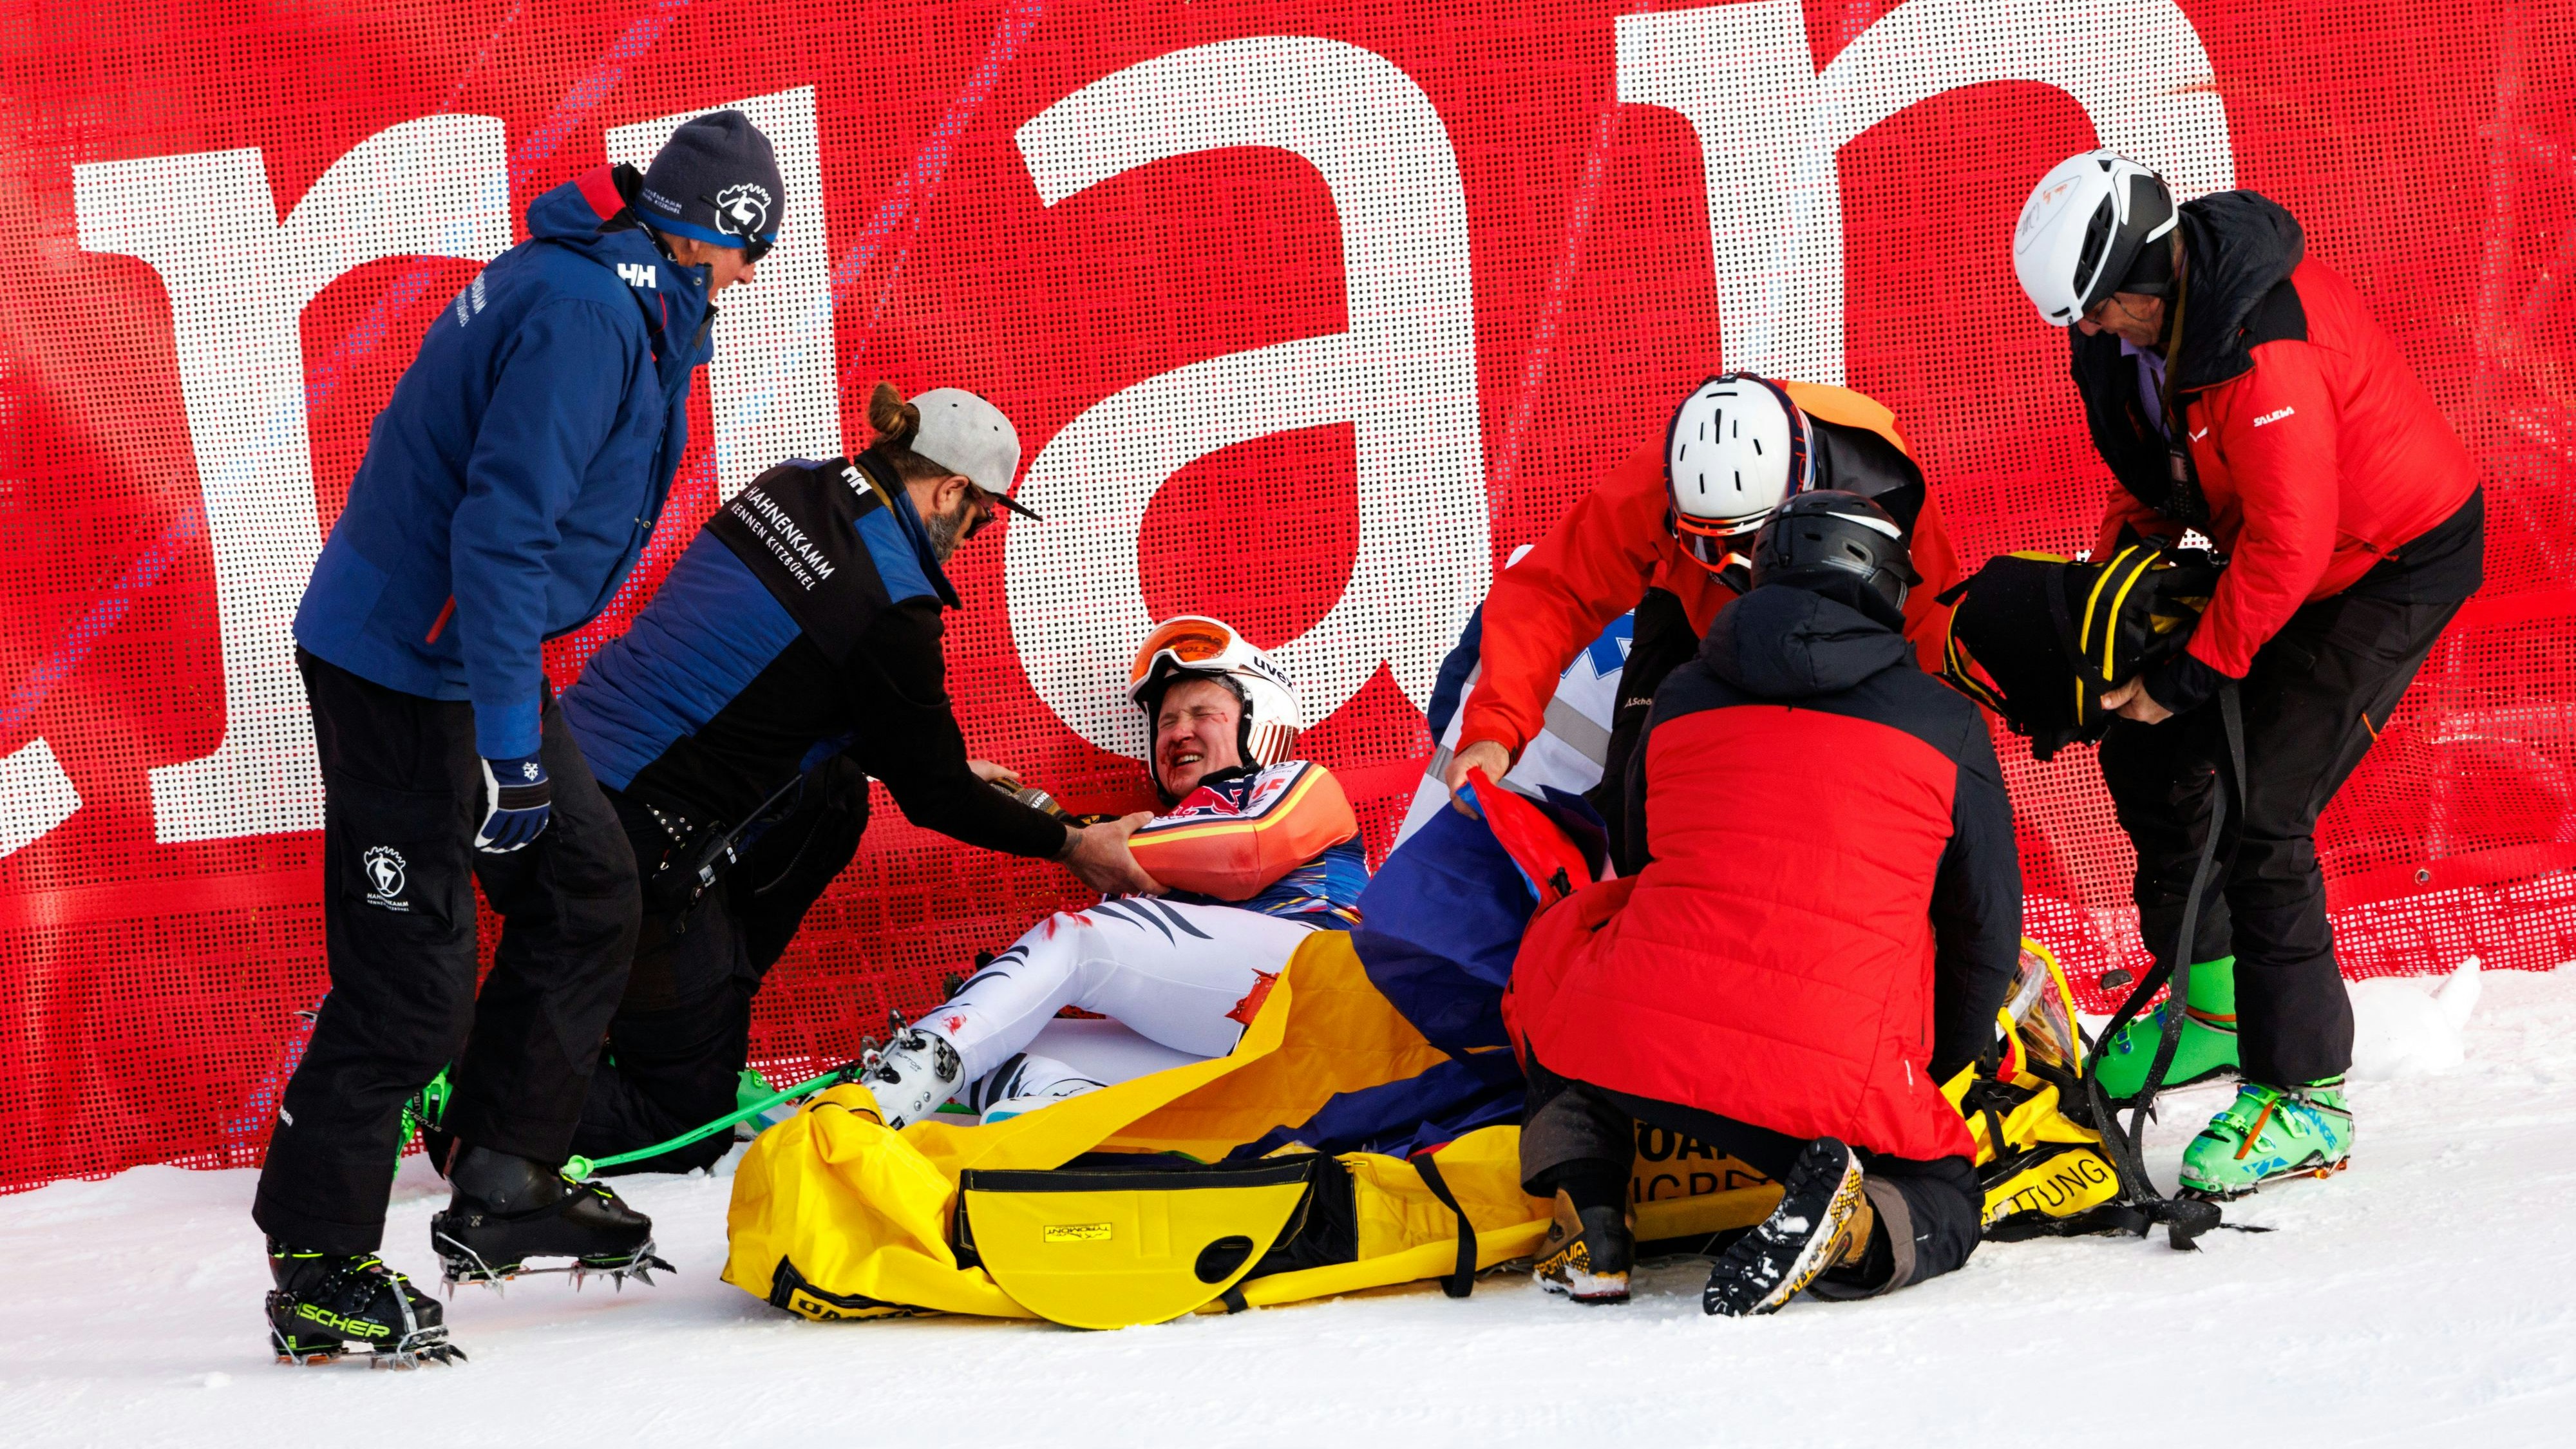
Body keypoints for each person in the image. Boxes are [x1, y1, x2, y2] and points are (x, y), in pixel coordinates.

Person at [256, 112, 784, 1365]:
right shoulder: (588, 314)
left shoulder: (631, 301)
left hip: (461, 650)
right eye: (751, 252)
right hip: (410, 663)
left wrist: (504, 709)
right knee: (414, 976)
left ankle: (503, 1175)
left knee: (591, 886)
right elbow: (497, 537)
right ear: (717, 233)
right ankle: (319, 1262)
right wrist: (507, 740)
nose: (754, 281)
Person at [2011, 151, 2483, 1197]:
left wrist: (2187, 675)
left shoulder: (2264, 350)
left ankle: (2304, 1095)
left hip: (2389, 560)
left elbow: (2288, 548)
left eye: (2095, 310)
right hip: (2283, 550)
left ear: (2150, 275)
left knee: (2266, 805)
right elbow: (2156, 475)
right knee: (2145, 752)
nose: (2085, 333)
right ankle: (2213, 1004)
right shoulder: (2127, 336)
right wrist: (2109, 603)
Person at [556, 384, 1160, 1174]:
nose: (975, 535)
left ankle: (696, 1017)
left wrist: (901, 751)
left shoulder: (789, 484)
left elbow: (777, 673)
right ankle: (468, 1088)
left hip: (563, 772)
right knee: (684, 1120)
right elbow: (935, 795)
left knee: (835, 793)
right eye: (982, 516)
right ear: (948, 489)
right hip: (625, 841)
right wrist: (1073, 845)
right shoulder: (889, 605)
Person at [1504, 491, 2020, 1314]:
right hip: (1828, 1076)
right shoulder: (1944, 720)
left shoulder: (1677, 692)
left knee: (1570, 945)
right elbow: (1984, 932)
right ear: (1886, 584)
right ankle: (1850, 1226)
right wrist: (1931, 1069)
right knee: (1948, 1193)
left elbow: (1642, 863)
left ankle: (1591, 1218)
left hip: (1636, 1039)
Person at [862, 616, 1368, 1128]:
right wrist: (954, 784)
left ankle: (877, 1102)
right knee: (997, 1039)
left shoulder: (1298, 781)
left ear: (1259, 720)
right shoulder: (1138, 840)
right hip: (1244, 1070)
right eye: (1167, 721)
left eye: (1202, 713)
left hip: (1323, 1008)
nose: (1178, 732)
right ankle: (1065, 1128)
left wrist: (1071, 836)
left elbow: (1248, 853)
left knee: (1077, 942)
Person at [1443, 374, 1964, 870]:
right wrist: (1493, 730)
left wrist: (1950, 819)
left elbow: (1934, 652)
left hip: (1838, 639)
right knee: (1635, 814)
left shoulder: (1891, 492)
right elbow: (1555, 590)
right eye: (1711, 544)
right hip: (1691, 614)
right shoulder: (1668, 475)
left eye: (1747, 546)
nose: (1736, 567)